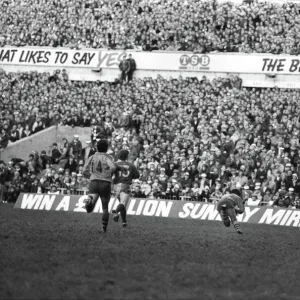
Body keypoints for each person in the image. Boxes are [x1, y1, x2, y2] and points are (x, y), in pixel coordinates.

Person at [83, 139, 124, 233]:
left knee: (90, 209)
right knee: (105, 208)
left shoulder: (92, 157)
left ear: (97, 147)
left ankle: (89, 201)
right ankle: (104, 229)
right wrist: (109, 174)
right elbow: (113, 167)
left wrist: (91, 176)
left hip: (94, 182)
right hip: (105, 183)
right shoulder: (107, 157)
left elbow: (84, 171)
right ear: (106, 149)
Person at [112, 149, 140, 227]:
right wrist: (131, 176)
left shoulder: (115, 164)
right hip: (125, 185)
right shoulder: (130, 165)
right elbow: (137, 175)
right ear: (126, 156)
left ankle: (124, 222)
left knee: (122, 204)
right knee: (123, 203)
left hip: (116, 186)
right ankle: (115, 212)